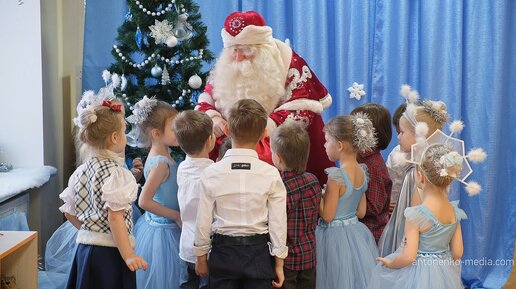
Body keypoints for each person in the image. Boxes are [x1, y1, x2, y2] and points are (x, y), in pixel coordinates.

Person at [195, 10, 333, 185]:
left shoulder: (288, 61)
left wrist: (265, 127)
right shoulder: (226, 64)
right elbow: (207, 99)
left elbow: (303, 106)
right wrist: (214, 118)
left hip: (274, 145)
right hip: (232, 140)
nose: (238, 57)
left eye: (245, 51)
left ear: (260, 48)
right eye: (234, 50)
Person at [194, 99, 288, 289]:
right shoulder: (270, 173)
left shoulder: (211, 173)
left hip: (223, 253)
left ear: (227, 130)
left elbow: (203, 220)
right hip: (259, 254)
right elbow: (278, 221)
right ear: (264, 134)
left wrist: (201, 257)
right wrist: (279, 263)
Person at [59, 101, 147, 289]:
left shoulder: (81, 171)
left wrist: (91, 230)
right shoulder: (118, 173)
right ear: (115, 137)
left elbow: (69, 213)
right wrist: (128, 255)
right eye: (124, 131)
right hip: (111, 255)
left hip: (84, 250)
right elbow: (115, 218)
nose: (125, 136)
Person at [368, 142, 470, 289]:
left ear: (420, 177)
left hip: (417, 275)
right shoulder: (455, 211)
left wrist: (391, 263)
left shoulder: (416, 215)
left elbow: (409, 257)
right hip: (443, 273)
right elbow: (458, 252)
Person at [378, 85, 450, 257]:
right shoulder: (405, 160)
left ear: (420, 135)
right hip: (402, 220)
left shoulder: (420, 171)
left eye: (401, 132)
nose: (398, 136)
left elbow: (419, 209)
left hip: (417, 228)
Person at [316, 113, 379, 289]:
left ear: (340, 145)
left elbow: (328, 216)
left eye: (327, 141)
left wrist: (319, 196)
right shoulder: (362, 171)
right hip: (355, 233)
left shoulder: (336, 177)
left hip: (333, 237)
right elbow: (361, 212)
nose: (324, 145)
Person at [126, 97, 183, 289]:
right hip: (163, 231)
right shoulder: (160, 163)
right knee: (166, 280)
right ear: (156, 133)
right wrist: (175, 215)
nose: (180, 131)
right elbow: (144, 201)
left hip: (163, 228)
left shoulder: (162, 156)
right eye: (174, 128)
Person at [269, 122, 322, 289]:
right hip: (309, 256)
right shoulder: (313, 181)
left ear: (278, 158)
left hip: (285, 260)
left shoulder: (278, 186)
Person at [174, 110, 216, 289]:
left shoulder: (182, 168)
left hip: (185, 247)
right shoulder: (214, 172)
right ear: (209, 141)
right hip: (207, 250)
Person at [351, 103, 393, 243]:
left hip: (370, 234)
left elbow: (374, 208)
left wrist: (344, 202)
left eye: (354, 128)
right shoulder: (359, 159)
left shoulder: (373, 166)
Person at [385, 103, 408, 215]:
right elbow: (388, 182)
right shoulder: (395, 153)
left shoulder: (428, 156)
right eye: (398, 132)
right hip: (395, 213)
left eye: (402, 133)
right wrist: (387, 203)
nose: (398, 137)